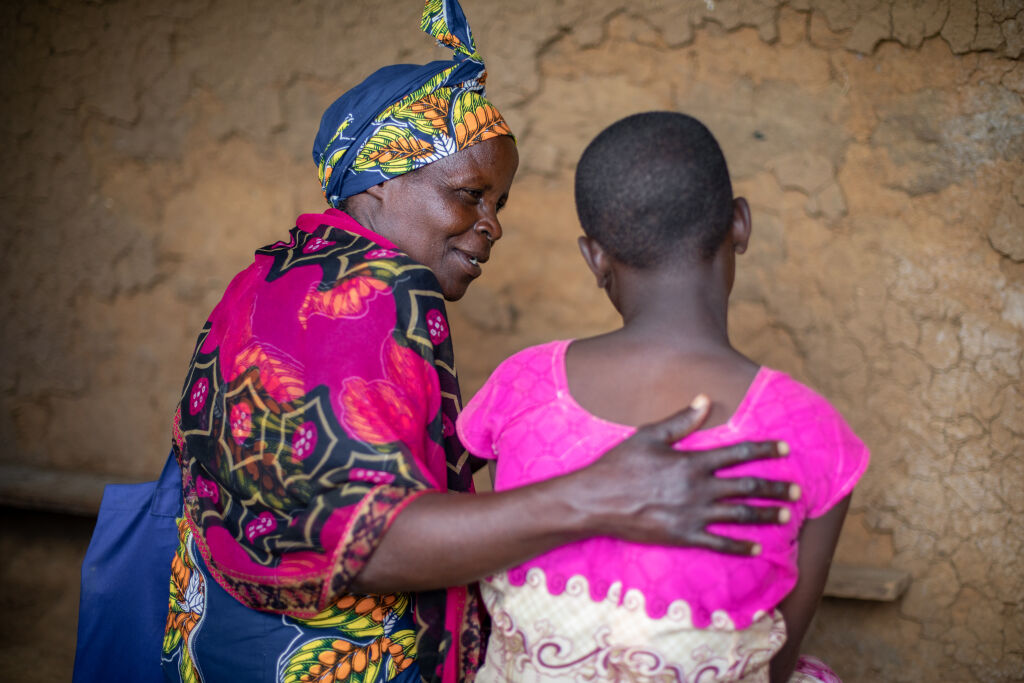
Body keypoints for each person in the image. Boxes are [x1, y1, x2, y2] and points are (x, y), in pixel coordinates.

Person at [158, 4, 800, 682]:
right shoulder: (377, 292)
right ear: (380, 182)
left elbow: (313, 469)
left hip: (219, 646)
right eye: (469, 194)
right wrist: (601, 493)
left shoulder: (273, 275)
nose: (491, 226)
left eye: (500, 204)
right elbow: (370, 542)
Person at [456, 112, 870, 682]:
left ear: (594, 256)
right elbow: (770, 665)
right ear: (740, 224)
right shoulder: (814, 431)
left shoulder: (522, 384)